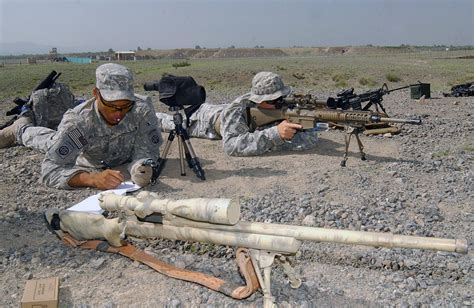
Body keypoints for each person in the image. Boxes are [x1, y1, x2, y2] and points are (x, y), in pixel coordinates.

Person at [0, 63, 162, 190]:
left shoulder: (141, 110)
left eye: (125, 106)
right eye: (111, 106)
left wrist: (140, 166)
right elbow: (50, 170)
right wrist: (92, 179)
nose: (118, 113)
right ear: (96, 94)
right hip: (86, 156)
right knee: (50, 142)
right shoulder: (80, 123)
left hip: (115, 155)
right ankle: (20, 129)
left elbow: (147, 149)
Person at [155, 71, 318, 156]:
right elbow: (231, 146)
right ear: (259, 100)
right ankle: (150, 116)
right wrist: (275, 134)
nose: (279, 102)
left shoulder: (270, 107)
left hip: (221, 111)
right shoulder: (237, 110)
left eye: (281, 98)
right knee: (170, 123)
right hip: (202, 119)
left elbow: (308, 139)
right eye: (273, 100)